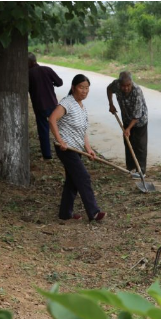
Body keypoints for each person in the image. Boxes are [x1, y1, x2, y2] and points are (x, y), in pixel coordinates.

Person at [49, 74, 106, 223]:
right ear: (73, 87)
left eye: (87, 88)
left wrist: (89, 149)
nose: (84, 91)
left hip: (77, 149)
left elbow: (82, 131)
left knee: (72, 181)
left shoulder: (82, 107)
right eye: (81, 87)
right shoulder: (67, 103)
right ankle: (93, 212)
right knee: (83, 177)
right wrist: (60, 140)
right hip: (66, 149)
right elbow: (52, 119)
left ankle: (65, 213)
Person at [107, 71, 148, 176]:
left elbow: (137, 115)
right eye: (123, 86)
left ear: (131, 82)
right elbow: (109, 89)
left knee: (139, 145)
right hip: (126, 118)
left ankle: (141, 171)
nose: (125, 88)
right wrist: (111, 104)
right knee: (128, 142)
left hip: (139, 121)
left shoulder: (137, 91)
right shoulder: (116, 84)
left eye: (128, 85)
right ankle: (131, 168)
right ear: (119, 84)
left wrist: (128, 129)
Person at [28, 52, 63, 160]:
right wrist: (52, 83)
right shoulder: (47, 69)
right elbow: (59, 82)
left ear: (32, 62)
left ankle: (47, 155)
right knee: (59, 128)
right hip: (52, 104)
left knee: (43, 130)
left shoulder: (28, 74)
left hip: (39, 106)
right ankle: (65, 149)